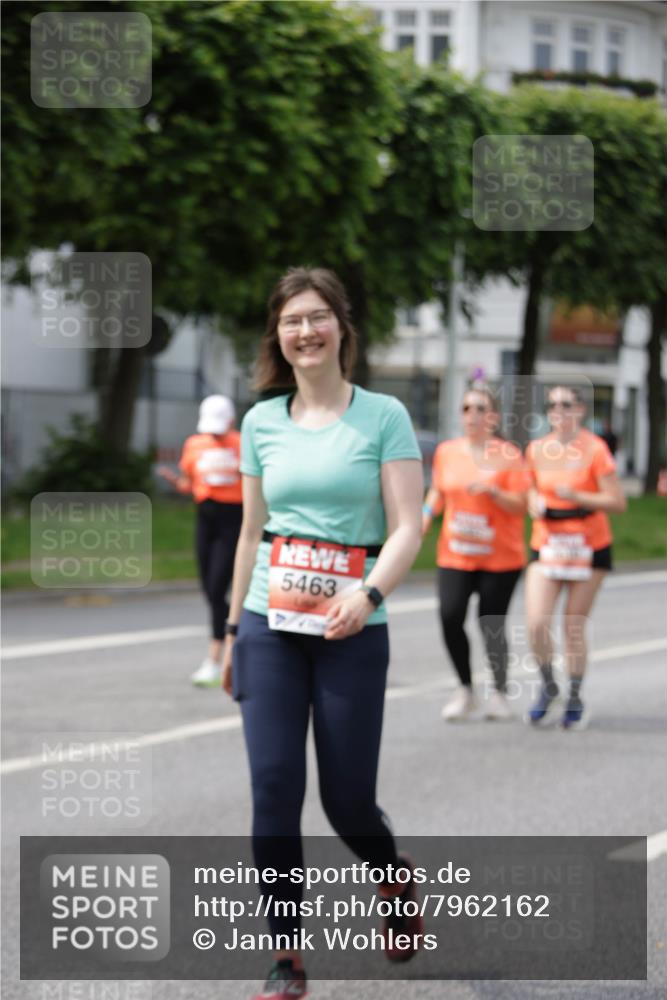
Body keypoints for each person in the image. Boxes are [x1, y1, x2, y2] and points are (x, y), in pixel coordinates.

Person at [221, 267, 424, 1000]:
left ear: (341, 325)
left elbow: (409, 526)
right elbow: (250, 533)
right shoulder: (260, 422)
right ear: (277, 336)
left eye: (316, 317)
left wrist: (366, 593)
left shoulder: (382, 416)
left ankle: (392, 876)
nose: (304, 332)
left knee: (345, 801)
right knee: (273, 787)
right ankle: (286, 956)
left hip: (352, 628)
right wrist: (229, 631)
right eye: (289, 321)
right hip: (269, 627)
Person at [422, 386, 530, 721]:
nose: (473, 415)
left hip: (500, 558)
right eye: (467, 408)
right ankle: (465, 689)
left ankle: (498, 692)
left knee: (490, 623)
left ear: (494, 417)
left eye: (481, 409)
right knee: (450, 616)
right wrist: (422, 521)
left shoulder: (509, 455)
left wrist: (495, 492)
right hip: (456, 553)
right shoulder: (447, 452)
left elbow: (523, 505)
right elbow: (437, 492)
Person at [524, 385, 626, 730]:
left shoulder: (595, 450)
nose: (558, 411)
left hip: (588, 545)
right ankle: (549, 686)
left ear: (580, 410)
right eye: (552, 405)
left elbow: (617, 502)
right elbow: (530, 489)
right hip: (548, 543)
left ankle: (576, 695)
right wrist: (534, 501)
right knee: (537, 622)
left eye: (566, 404)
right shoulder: (537, 449)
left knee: (572, 625)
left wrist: (577, 496)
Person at [158, 395, 242, 686]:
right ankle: (236, 634)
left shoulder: (243, 444)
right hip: (205, 520)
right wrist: (175, 482)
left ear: (231, 421)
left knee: (218, 587)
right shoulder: (195, 444)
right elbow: (189, 483)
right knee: (209, 589)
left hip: (234, 521)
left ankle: (215, 658)